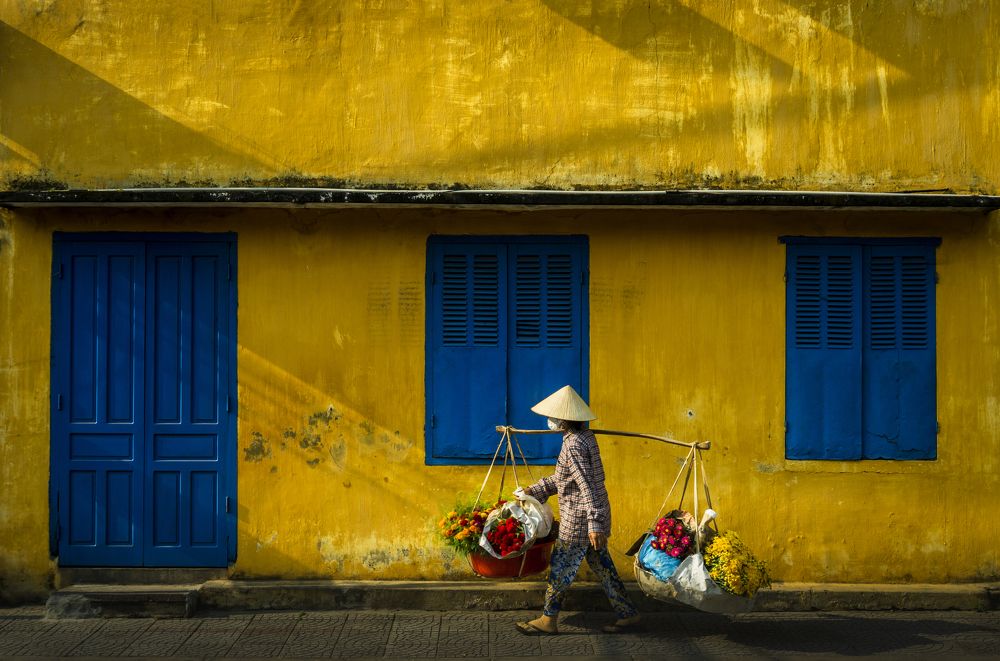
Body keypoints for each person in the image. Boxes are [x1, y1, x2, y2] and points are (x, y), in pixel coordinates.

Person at [514, 385, 641, 636]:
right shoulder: (585, 437)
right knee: (603, 567)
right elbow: (565, 479)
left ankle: (548, 620)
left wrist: (594, 524)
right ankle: (628, 613)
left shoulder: (573, 445)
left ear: (563, 420)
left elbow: (586, 485)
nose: (550, 420)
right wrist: (534, 490)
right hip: (591, 514)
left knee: (561, 566)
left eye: (553, 417)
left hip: (580, 519)